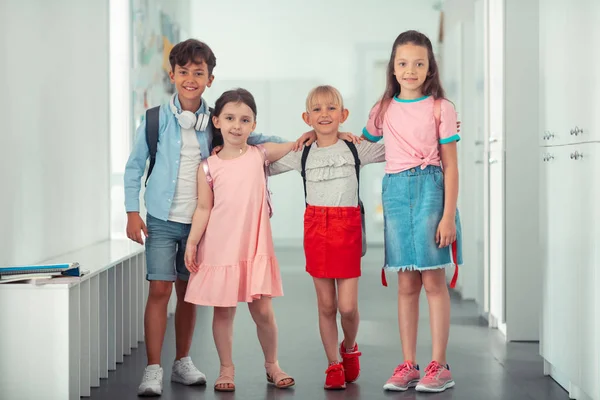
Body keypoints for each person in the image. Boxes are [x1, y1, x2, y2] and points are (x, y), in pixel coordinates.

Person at [123, 39, 312, 397]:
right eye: (184, 72)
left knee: (188, 294)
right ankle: (153, 368)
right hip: (163, 218)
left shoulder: (216, 123)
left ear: (210, 78)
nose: (191, 79)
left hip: (201, 224)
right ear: (173, 75)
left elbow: (253, 140)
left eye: (199, 73)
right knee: (160, 289)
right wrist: (132, 211)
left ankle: (182, 360)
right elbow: (134, 167)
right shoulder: (154, 120)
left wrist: (306, 139)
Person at [362, 30, 462, 393]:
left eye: (419, 63)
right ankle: (409, 364)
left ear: (429, 67)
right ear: (392, 67)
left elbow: (451, 166)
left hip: (431, 191)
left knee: (433, 279)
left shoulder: (441, 108)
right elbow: (364, 145)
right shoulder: (382, 109)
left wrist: (448, 215)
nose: (410, 70)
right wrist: (326, 134)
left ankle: (440, 364)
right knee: (406, 281)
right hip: (395, 191)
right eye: (403, 63)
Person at [269, 85, 384, 390]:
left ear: (343, 115)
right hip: (316, 230)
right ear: (307, 117)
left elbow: (396, 146)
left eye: (331, 108)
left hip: (346, 231)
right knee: (326, 306)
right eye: (317, 109)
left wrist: (437, 129)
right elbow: (262, 160)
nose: (324, 114)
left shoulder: (355, 148)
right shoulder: (302, 152)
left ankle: (349, 346)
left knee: (347, 307)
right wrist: (294, 141)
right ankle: (333, 363)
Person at [183, 88, 295, 392]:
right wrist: (193, 243)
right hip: (221, 248)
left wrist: (321, 130)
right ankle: (226, 369)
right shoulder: (207, 167)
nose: (236, 125)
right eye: (230, 118)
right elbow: (204, 208)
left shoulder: (261, 155)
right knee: (224, 312)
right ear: (216, 121)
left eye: (245, 120)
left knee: (263, 312)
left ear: (254, 125)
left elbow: (296, 145)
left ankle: (272, 364)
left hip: (254, 246)